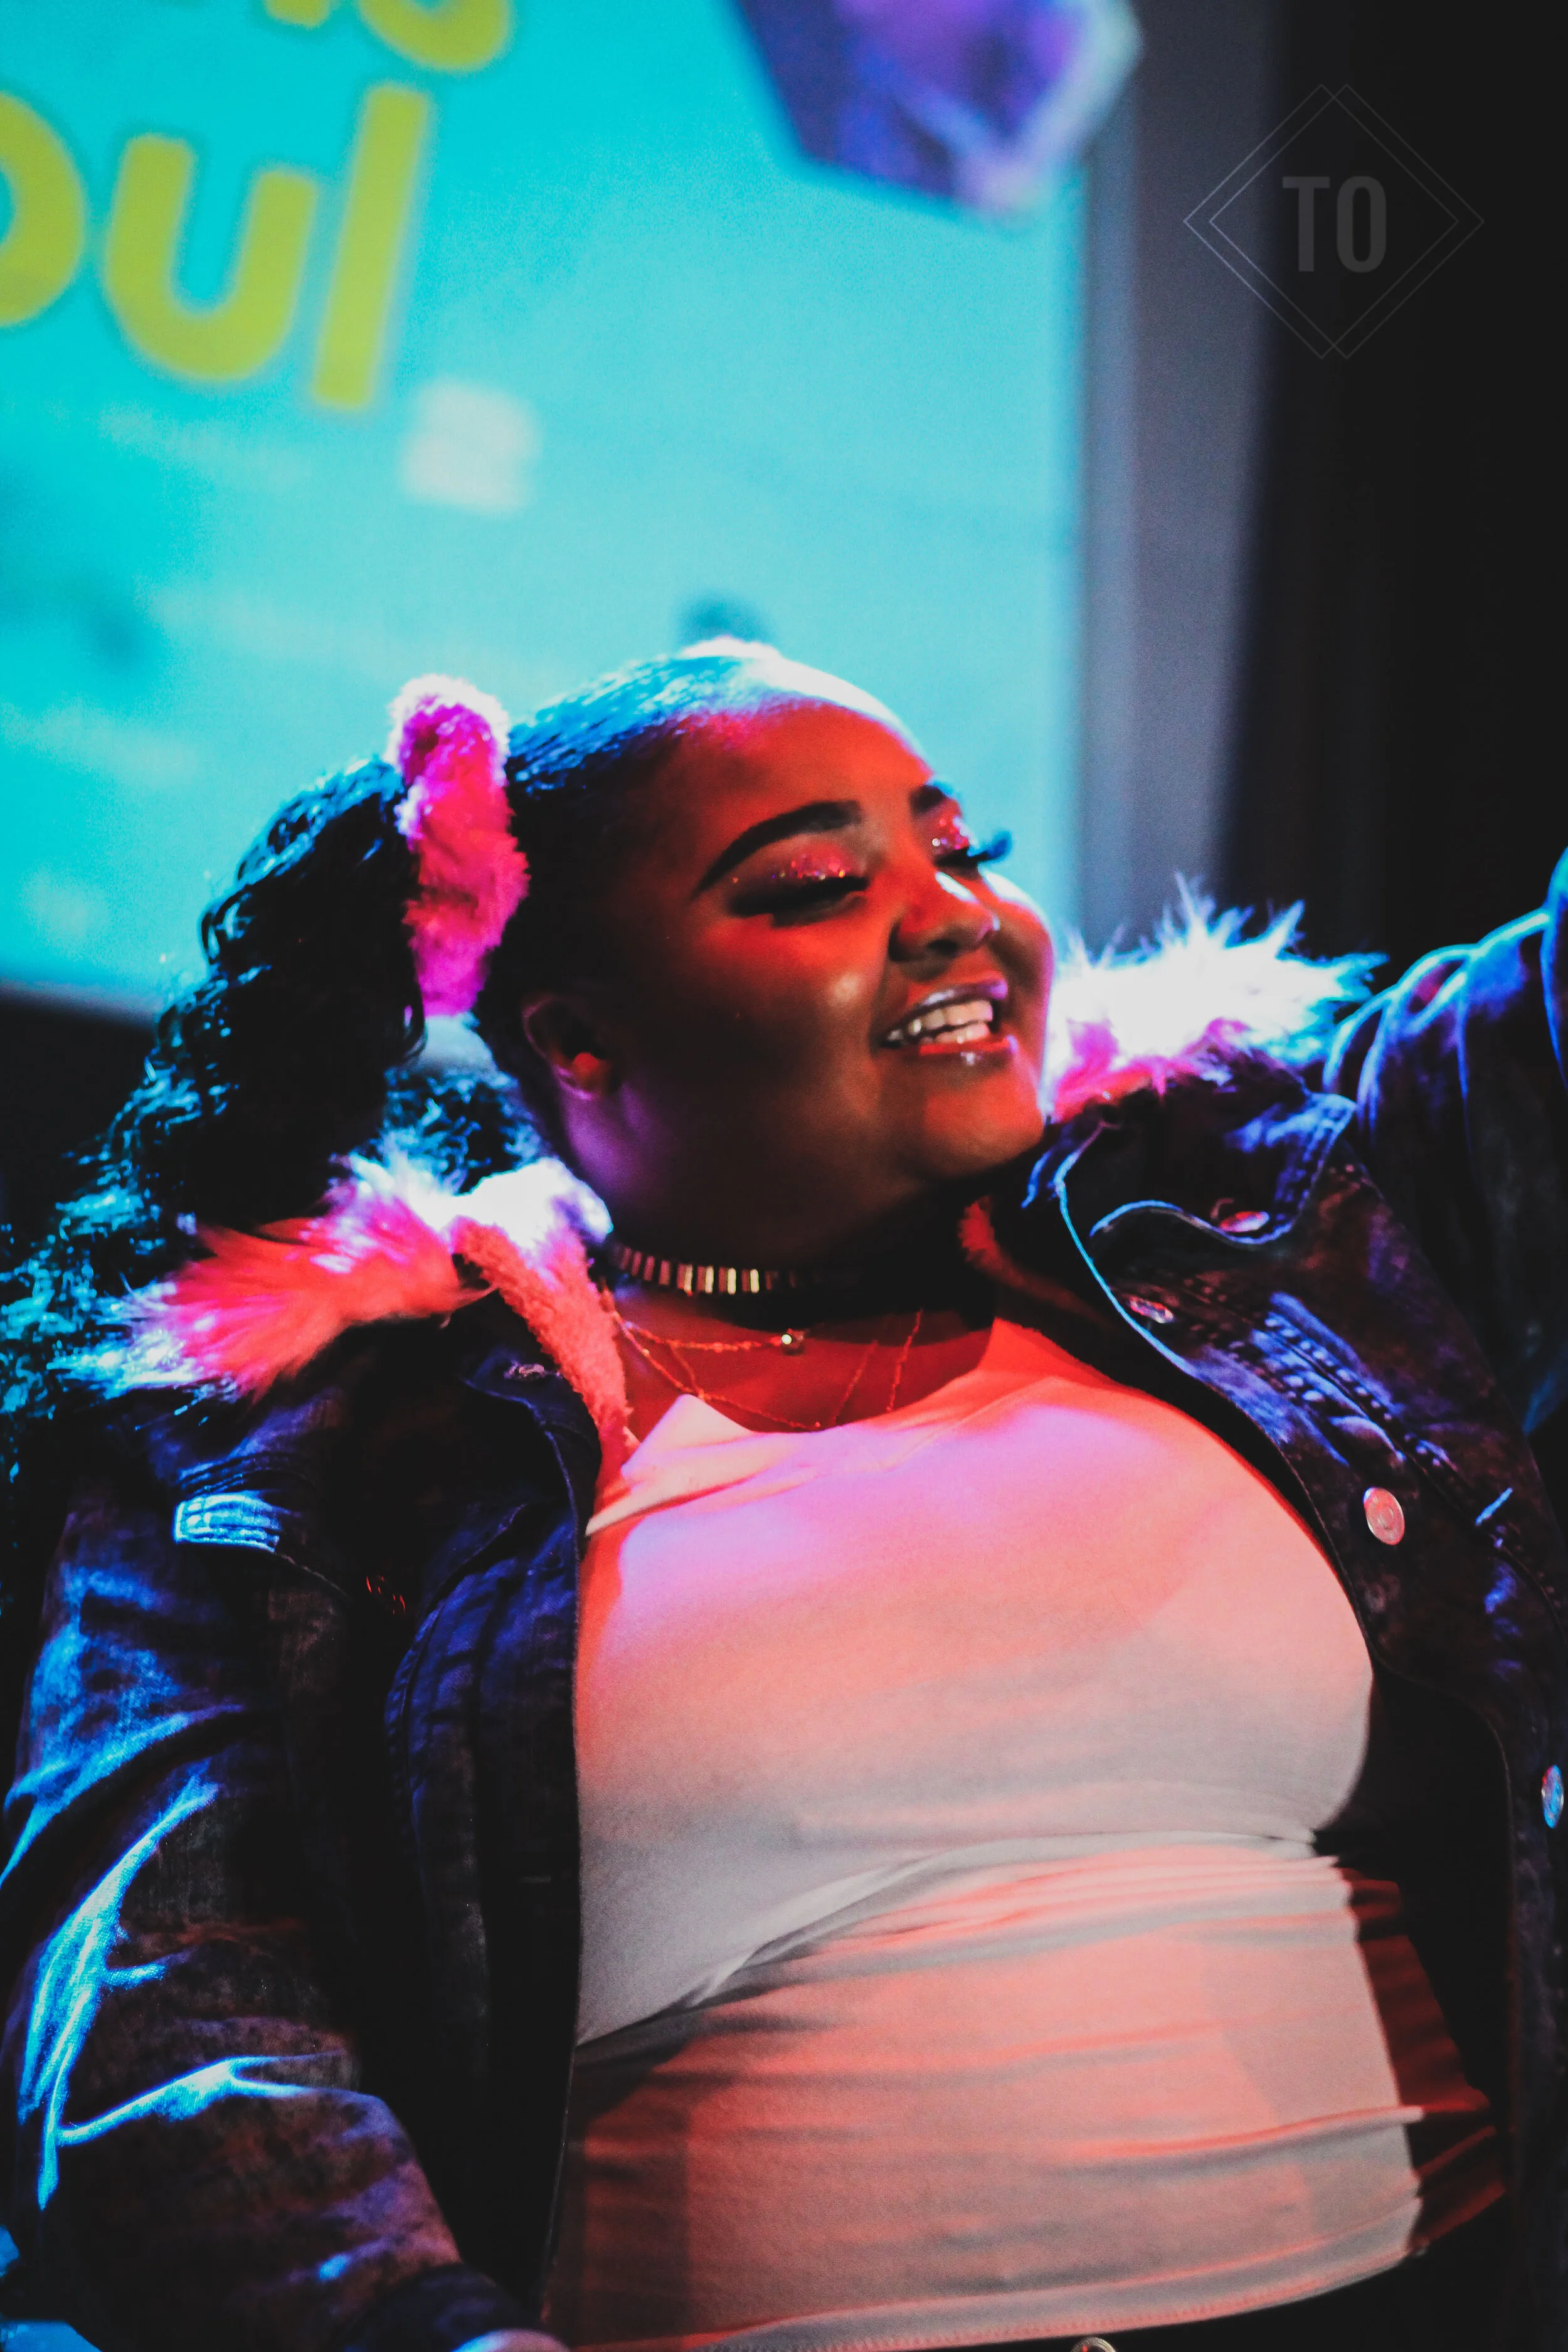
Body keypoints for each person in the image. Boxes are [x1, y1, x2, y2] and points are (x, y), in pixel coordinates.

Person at [0, 642, 1562, 2352]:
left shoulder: (1270, 1216)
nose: (952, 914)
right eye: (817, 884)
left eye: (962, 849)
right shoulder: (311, 1450)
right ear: (579, 1043)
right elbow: (166, 2024)